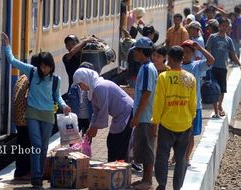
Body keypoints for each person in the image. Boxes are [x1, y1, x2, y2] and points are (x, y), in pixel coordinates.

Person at [1, 32, 71, 187]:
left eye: (47, 66)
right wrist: (7, 46)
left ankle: (37, 174)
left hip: (47, 115)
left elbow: (57, 96)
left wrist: (63, 105)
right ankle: (36, 177)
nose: (44, 69)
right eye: (42, 66)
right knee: (36, 145)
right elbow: (13, 61)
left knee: (44, 147)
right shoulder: (32, 72)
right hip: (32, 114)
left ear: (51, 66)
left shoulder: (55, 80)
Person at [153, 46, 197, 190]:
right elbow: (193, 104)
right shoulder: (190, 78)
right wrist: (190, 121)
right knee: (181, 160)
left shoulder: (164, 77)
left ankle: (162, 184)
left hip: (167, 125)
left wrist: (155, 123)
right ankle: (177, 187)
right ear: (182, 58)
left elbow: (159, 102)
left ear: (170, 58)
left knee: (162, 157)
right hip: (185, 124)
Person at [73, 68, 133, 162]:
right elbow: (96, 112)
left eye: (80, 84)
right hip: (120, 115)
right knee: (113, 142)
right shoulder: (93, 90)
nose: (80, 87)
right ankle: (114, 168)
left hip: (126, 113)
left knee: (118, 143)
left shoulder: (100, 87)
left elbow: (103, 111)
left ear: (85, 80)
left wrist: (95, 128)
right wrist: (92, 126)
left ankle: (118, 170)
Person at [130, 37, 158, 189]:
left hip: (146, 116)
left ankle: (147, 180)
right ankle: (145, 179)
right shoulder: (147, 67)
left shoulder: (147, 68)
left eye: (135, 50)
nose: (134, 53)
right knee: (144, 146)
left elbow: (146, 93)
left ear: (141, 51)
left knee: (146, 147)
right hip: (146, 115)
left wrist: (137, 116)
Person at [181, 40, 215, 164]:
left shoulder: (197, 65)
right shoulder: (175, 66)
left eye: (188, 52)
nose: (185, 54)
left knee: (190, 134)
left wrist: (201, 49)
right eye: (183, 52)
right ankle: (177, 156)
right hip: (179, 106)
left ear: (193, 53)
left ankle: (186, 157)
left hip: (195, 106)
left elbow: (211, 60)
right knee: (179, 134)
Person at [206, 18, 241, 118]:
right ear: (219, 26)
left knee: (222, 90)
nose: (224, 27)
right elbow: (207, 51)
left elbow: (233, 54)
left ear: (228, 28)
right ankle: (216, 112)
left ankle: (220, 105)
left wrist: (240, 65)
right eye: (222, 25)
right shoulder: (212, 37)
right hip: (213, 68)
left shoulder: (228, 40)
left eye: (226, 26)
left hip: (223, 68)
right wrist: (207, 64)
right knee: (214, 89)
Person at [12, 54, 38, 180]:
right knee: (27, 147)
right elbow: (29, 98)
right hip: (26, 118)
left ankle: (20, 171)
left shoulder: (22, 77)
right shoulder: (32, 79)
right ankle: (24, 172)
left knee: (21, 145)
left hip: (19, 117)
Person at [68, 62, 94, 137]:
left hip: (88, 117)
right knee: (72, 140)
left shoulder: (92, 87)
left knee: (87, 139)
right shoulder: (74, 87)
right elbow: (70, 100)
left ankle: (85, 149)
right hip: (76, 117)